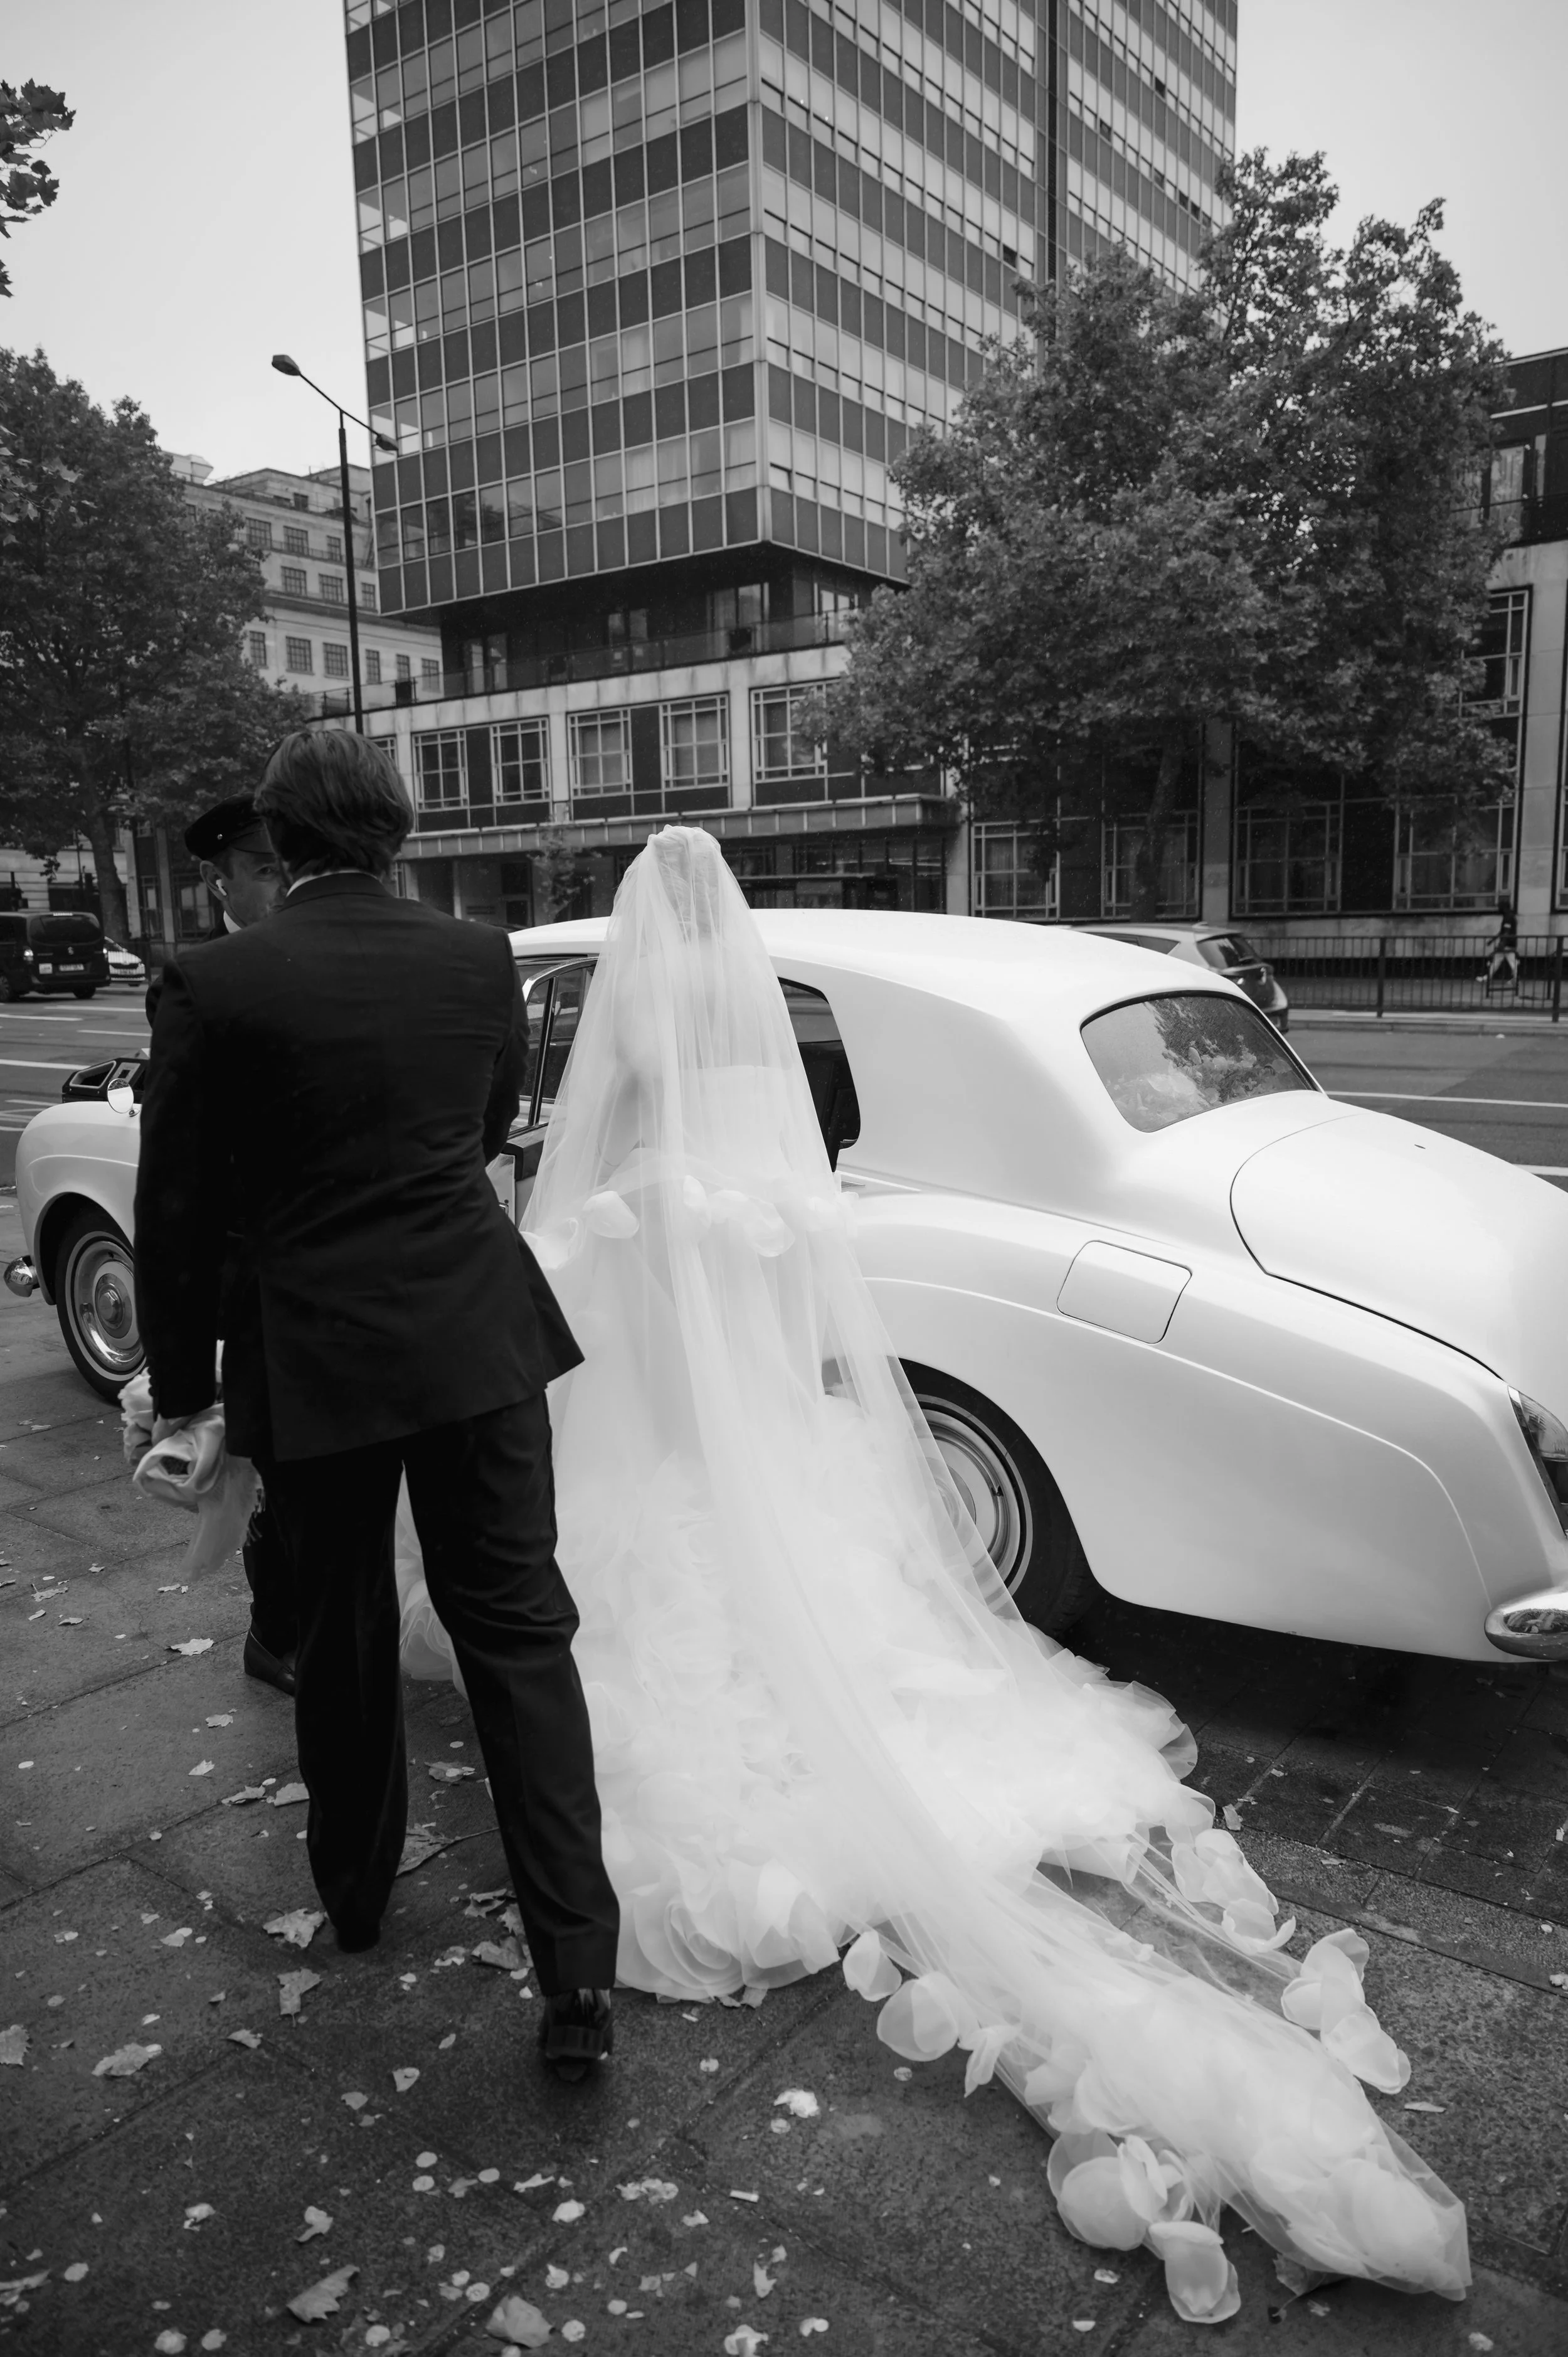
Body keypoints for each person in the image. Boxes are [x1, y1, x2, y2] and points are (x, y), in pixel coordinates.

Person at [398, 827, 1468, 2324]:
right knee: (793, 1516)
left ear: (639, 939)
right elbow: (790, 1198)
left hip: (663, 1317)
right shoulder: (763, 1024)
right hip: (762, 1336)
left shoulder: (634, 1034)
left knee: (642, 1515)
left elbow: (603, 1193)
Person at [134, 730, 619, 2079]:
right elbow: (480, 1128)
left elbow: (171, 1217)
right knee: (521, 1635)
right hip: (475, 1335)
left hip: (315, 1349)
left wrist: (182, 1395)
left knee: (340, 1631)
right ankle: (577, 1972)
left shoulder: (213, 981)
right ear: (398, 836)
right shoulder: (478, 958)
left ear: (279, 843)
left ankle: (354, 1898)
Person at [144, 795, 295, 1697]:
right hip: (256, 1272)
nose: (282, 880)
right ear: (223, 879)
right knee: (266, 1473)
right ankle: (274, 1634)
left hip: (330, 1264)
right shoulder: (196, 979)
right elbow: (177, 1183)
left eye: (288, 863)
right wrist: (180, 1383)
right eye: (265, 867)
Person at [1484, 896, 1520, 996]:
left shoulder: (1508, 917)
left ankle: (1489, 979)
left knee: (1505, 962)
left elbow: (1507, 933)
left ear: (1504, 908)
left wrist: (1502, 944)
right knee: (1500, 961)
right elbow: (1503, 932)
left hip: (1508, 944)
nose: (1498, 909)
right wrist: (1493, 940)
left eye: (1500, 907)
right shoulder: (1508, 916)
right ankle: (1489, 978)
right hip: (1508, 944)